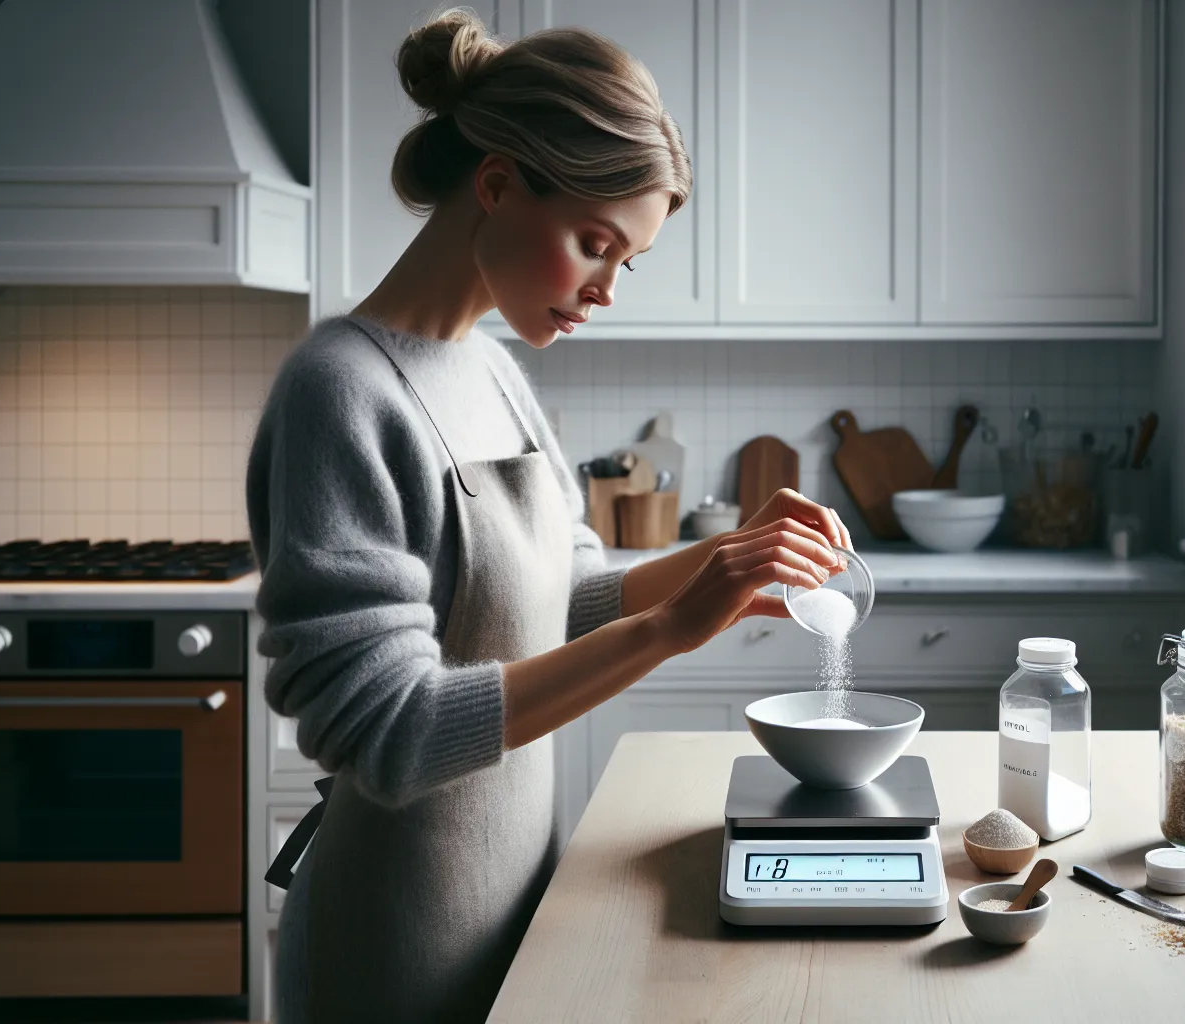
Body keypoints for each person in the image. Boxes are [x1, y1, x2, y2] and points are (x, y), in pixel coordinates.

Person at [245, 11, 852, 1022]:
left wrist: (728, 566)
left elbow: (562, 597)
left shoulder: (495, 372)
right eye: (594, 243)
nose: (609, 288)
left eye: (629, 259)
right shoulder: (340, 393)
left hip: (512, 900)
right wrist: (664, 631)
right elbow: (388, 733)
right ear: (494, 186)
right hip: (388, 941)